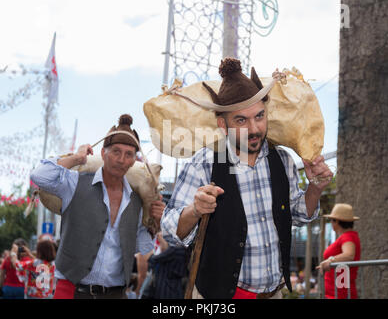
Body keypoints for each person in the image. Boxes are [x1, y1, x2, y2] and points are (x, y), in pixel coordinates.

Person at [161, 58, 333, 299]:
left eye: (259, 116)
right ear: (223, 124)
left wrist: (316, 188)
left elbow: (298, 214)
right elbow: (169, 231)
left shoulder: (282, 160)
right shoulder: (204, 163)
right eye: (241, 120)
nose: (254, 129)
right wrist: (195, 210)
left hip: (274, 294)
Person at [30, 114, 165, 299]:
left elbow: (142, 246)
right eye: (116, 151)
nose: (121, 159)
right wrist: (77, 158)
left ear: (134, 160)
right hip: (71, 291)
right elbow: (39, 175)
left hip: (115, 294)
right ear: (103, 153)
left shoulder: (136, 202)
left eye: (128, 154)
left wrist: (155, 224)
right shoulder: (75, 183)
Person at [316, 203, 361, 299]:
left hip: (340, 294)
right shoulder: (348, 236)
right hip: (337, 293)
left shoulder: (347, 236)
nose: (331, 222)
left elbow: (349, 255)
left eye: (331, 220)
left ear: (336, 221)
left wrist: (330, 260)